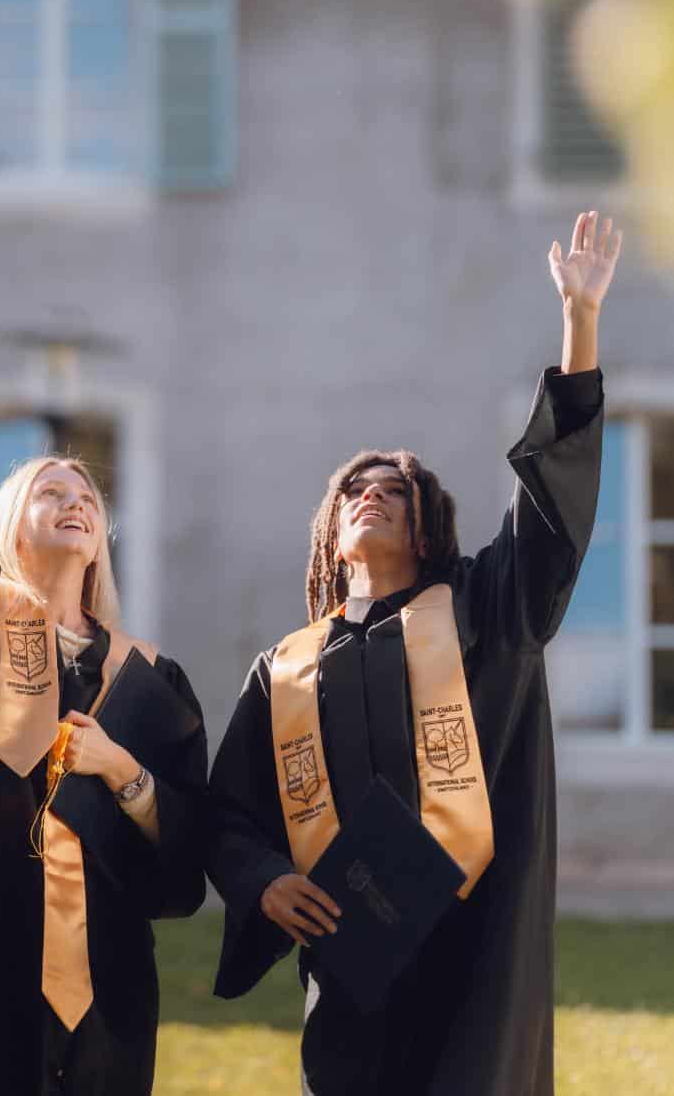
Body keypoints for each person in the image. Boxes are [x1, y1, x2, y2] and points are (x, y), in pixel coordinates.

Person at [207, 210, 622, 1096]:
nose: (373, 494)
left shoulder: (482, 605)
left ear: (429, 517)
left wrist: (578, 323)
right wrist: (266, 881)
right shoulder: (285, 668)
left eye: (396, 487)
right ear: (329, 528)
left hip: (470, 947)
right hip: (349, 955)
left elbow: (551, 511)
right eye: (355, 487)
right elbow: (227, 812)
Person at [0, 238, 208, 1096]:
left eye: (87, 497)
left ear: (102, 535)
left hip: (105, 984)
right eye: (49, 491)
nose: (73, 502)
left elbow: (184, 861)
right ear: (6, 525)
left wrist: (126, 772)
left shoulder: (149, 681)